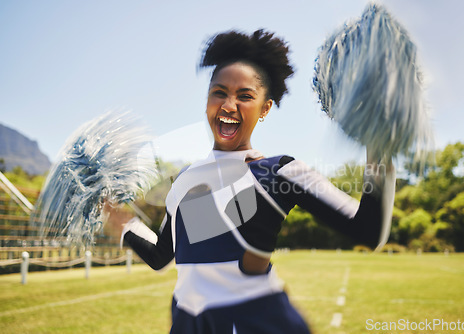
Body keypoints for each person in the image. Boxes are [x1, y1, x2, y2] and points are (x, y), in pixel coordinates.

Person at [118, 29, 396, 334]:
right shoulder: (184, 180)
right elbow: (162, 257)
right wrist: (123, 224)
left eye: (245, 96)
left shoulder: (279, 172)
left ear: (265, 108)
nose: (228, 105)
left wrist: (377, 144)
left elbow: (369, 231)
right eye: (219, 92)